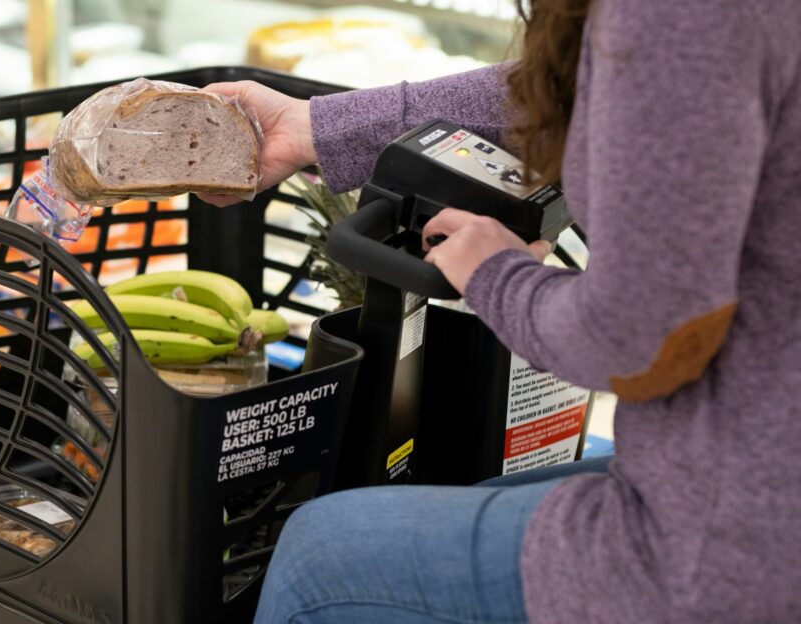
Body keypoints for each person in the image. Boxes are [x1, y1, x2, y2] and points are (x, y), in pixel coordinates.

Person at [202, 0, 801, 622]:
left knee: (317, 556)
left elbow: (642, 340)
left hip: (735, 542)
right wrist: (318, 128)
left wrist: (497, 275)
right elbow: (601, 85)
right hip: (735, 467)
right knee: (473, 498)